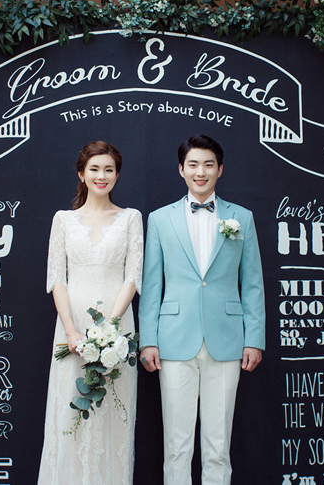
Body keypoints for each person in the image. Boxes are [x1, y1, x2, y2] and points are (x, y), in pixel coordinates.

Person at [138, 134, 265, 485]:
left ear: (220, 169)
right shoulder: (160, 219)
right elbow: (152, 285)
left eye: (209, 165)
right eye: (193, 164)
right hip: (173, 341)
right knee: (176, 445)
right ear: (181, 169)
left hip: (227, 340)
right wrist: (148, 340)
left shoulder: (242, 218)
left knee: (218, 445)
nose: (201, 172)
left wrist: (254, 339)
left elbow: (252, 284)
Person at [37, 141, 143, 485]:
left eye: (109, 169)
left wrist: (111, 327)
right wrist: (71, 331)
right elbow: (57, 278)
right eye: (95, 169)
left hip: (117, 323)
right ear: (81, 174)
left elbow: (132, 277)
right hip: (72, 324)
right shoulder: (63, 220)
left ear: (117, 175)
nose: (102, 176)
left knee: (112, 409)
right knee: (70, 407)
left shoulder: (130, 218)